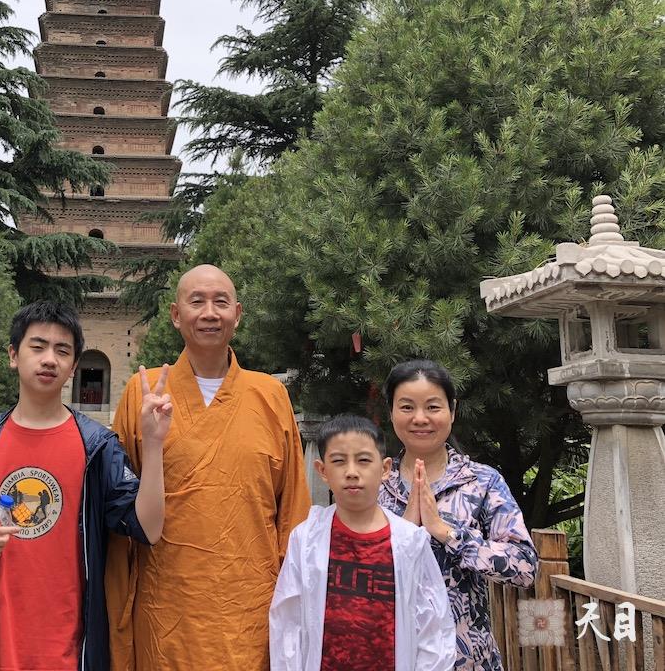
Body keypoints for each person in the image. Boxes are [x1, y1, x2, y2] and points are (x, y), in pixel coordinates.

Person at [0, 301, 171, 671]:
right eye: (38, 346)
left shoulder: (96, 446)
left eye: (62, 351)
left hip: (66, 651)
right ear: (13, 355)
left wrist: (154, 444)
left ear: (74, 366)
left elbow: (148, 528)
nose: (49, 359)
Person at [106, 264, 311, 671]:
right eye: (196, 301)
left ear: (238, 313)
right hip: (166, 605)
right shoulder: (143, 392)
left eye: (221, 302)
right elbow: (119, 512)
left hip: (250, 605)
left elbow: (294, 513)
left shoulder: (271, 395)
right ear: (175, 314)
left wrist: (295, 603)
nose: (210, 313)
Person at [378, 359, 538, 671]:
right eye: (407, 407)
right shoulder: (374, 484)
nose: (420, 418)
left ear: (452, 410)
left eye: (433, 407)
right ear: (391, 412)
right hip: (389, 656)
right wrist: (405, 531)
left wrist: (447, 533)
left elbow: (525, 568)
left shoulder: (482, 482)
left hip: (465, 659)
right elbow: (349, 571)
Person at [270, 414, 455, 671]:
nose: (352, 472)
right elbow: (287, 622)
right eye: (338, 461)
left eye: (364, 460)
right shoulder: (306, 539)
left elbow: (433, 628)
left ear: (385, 469)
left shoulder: (409, 542)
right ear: (322, 471)